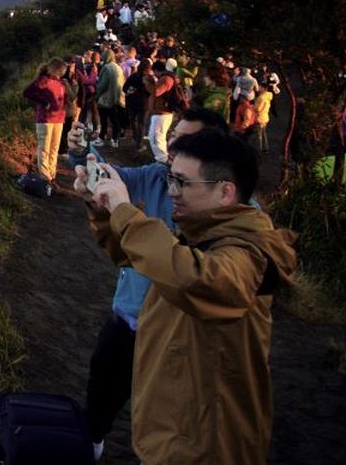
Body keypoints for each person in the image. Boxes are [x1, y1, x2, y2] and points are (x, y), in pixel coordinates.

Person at [86, 129, 297, 464]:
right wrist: (103, 210)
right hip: (175, 429)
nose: (171, 192)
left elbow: (193, 279)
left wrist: (126, 212)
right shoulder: (202, 237)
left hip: (204, 442)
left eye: (183, 183)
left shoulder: (247, 253)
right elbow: (143, 259)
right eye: (171, 179)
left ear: (225, 191)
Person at [68, 108, 229, 461]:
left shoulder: (236, 213)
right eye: (173, 135)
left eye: (185, 140)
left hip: (178, 338)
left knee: (164, 428)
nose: (172, 143)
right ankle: (90, 447)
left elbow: (199, 276)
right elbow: (117, 178)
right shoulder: (158, 175)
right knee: (100, 400)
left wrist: (125, 213)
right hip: (126, 317)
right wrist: (82, 155)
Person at [22, 58, 68, 183]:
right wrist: (44, 102)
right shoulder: (43, 80)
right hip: (46, 119)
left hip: (59, 119)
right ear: (54, 69)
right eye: (60, 71)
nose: (61, 74)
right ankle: (44, 176)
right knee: (45, 148)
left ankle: (52, 174)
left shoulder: (60, 82)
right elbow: (27, 92)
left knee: (54, 148)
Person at [144, 60, 178, 163]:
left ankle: (163, 161)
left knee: (156, 138)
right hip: (160, 113)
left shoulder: (166, 79)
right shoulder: (166, 78)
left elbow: (156, 92)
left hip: (162, 113)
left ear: (156, 70)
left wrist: (148, 83)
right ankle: (163, 159)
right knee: (156, 137)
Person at [95, 50, 125, 147]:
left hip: (106, 99)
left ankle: (101, 138)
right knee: (115, 120)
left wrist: (96, 95)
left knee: (104, 120)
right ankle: (115, 140)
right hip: (117, 98)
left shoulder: (106, 68)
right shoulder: (118, 68)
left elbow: (102, 85)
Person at [252, 84, 273, 153]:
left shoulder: (261, 98)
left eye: (260, 87)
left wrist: (252, 106)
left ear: (264, 88)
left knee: (259, 135)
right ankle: (266, 148)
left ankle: (259, 150)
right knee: (264, 133)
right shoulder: (268, 96)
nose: (259, 88)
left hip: (259, 118)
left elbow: (258, 109)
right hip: (265, 117)